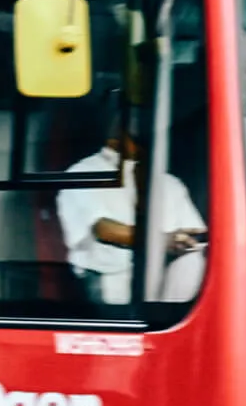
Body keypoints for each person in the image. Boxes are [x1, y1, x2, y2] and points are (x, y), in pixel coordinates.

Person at [56, 127, 205, 305]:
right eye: (136, 137)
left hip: (162, 274)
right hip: (109, 275)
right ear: (114, 138)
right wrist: (159, 240)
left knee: (193, 262)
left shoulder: (169, 182)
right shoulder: (83, 172)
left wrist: (186, 241)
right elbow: (104, 230)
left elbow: (196, 233)